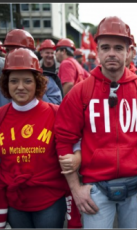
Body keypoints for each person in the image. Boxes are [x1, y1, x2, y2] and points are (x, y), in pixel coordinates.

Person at [54, 16, 137, 228]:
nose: (112, 54)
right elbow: (63, 139)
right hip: (95, 188)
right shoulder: (81, 91)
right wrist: (76, 189)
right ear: (97, 51)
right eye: (105, 47)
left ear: (129, 52)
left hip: (136, 186)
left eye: (118, 48)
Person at [0, 48, 69, 228]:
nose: (20, 86)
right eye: (14, 81)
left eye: (27, 81)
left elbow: (71, 153)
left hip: (50, 201)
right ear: (6, 84)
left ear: (37, 83)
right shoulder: (0, 117)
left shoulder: (55, 113)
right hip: (15, 202)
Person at [0, 29, 62, 105]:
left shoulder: (47, 80)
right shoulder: (3, 77)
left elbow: (55, 109)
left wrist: (38, 87)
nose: (13, 56)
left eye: (17, 51)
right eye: (8, 51)